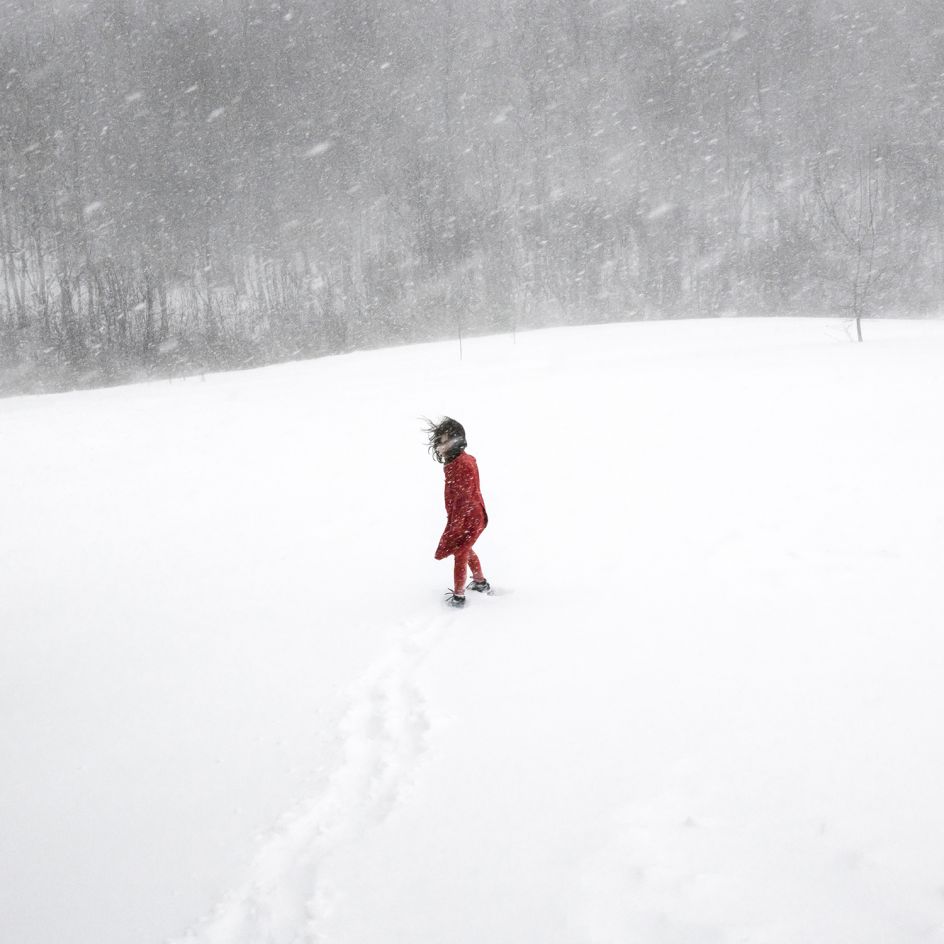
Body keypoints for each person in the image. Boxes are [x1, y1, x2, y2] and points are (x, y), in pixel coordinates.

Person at [426, 417, 490, 607]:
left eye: (444, 441)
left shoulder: (463, 464)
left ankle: (459, 596)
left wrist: (458, 522)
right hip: (465, 515)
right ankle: (480, 583)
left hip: (470, 517)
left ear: (456, 441)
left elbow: (466, 497)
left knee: (460, 552)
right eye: (440, 441)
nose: (440, 445)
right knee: (465, 549)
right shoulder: (456, 462)